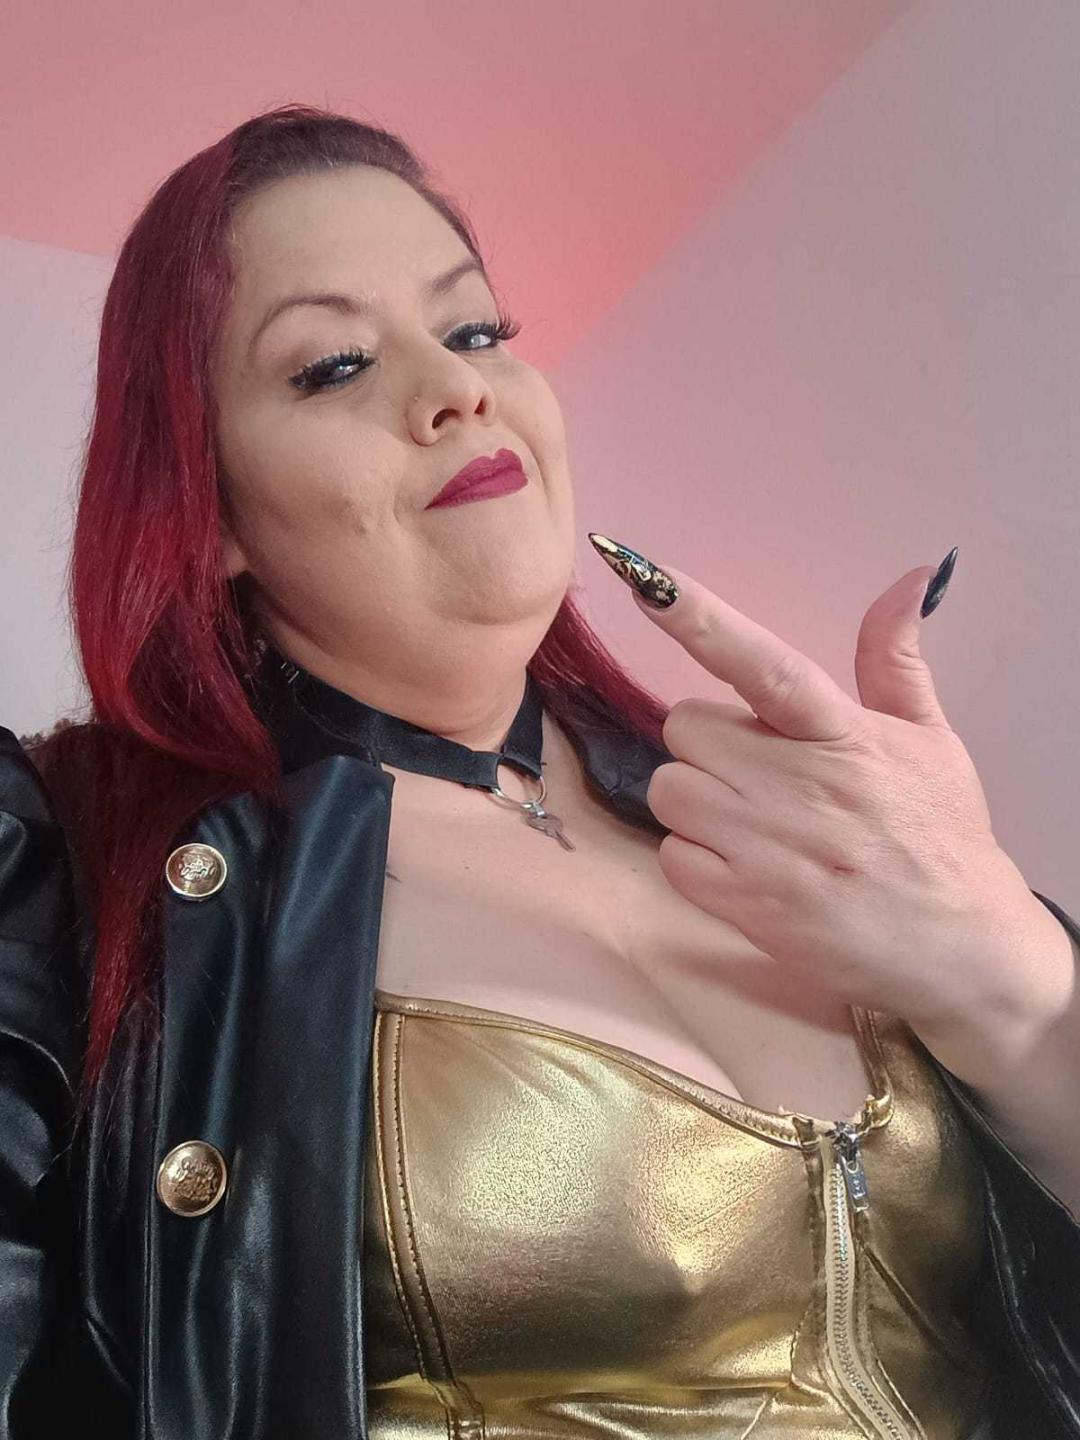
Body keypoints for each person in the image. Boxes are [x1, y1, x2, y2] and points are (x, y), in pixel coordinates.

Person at [1, 104, 1078, 1440]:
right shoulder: (60, 873)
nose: (458, 389)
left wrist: (1011, 968)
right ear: (204, 510)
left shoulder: (790, 804)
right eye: (335, 365)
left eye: (473, 331)